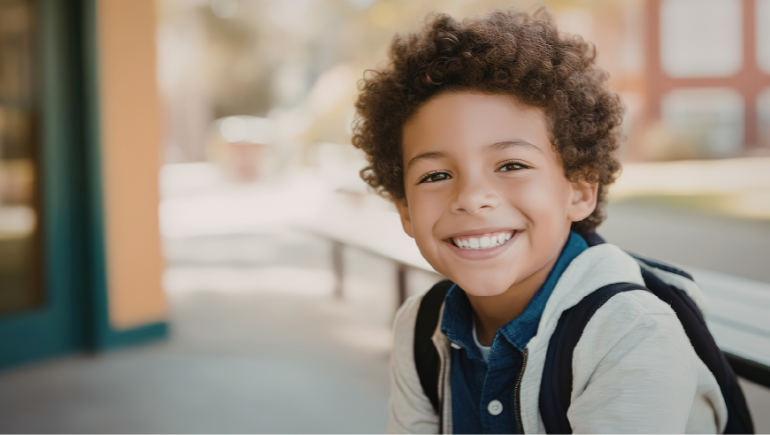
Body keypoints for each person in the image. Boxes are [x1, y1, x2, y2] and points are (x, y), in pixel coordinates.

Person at [351, 8, 727, 434]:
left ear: (579, 191)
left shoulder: (631, 333)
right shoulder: (420, 325)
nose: (471, 198)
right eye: (435, 175)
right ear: (405, 210)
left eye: (511, 165)